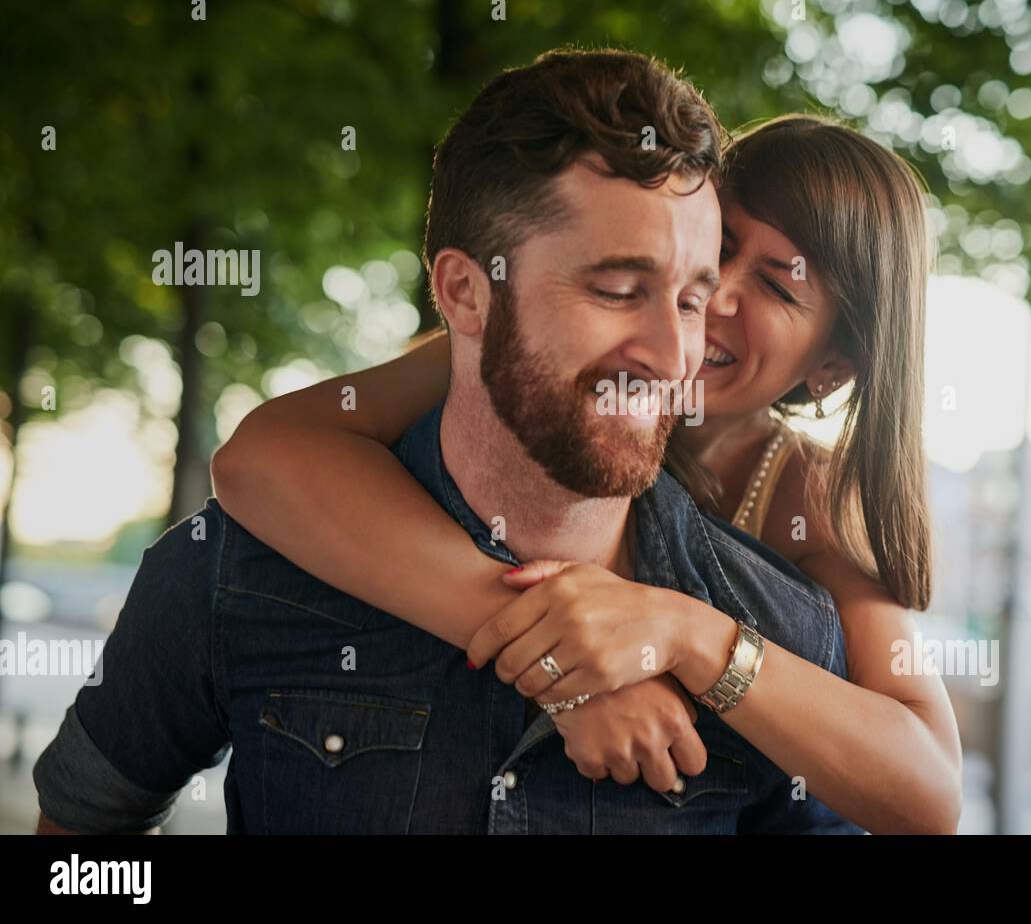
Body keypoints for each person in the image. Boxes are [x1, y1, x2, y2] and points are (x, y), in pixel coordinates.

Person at [33, 47, 877, 834]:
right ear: (466, 295)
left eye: (692, 300)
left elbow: (922, 788)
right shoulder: (234, 569)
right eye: (619, 289)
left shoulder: (781, 638)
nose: (670, 354)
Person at [208, 114, 962, 829]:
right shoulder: (542, 356)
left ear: (830, 367)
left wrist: (686, 635)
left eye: (776, 285)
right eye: (718, 246)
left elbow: (927, 787)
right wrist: (560, 661)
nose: (710, 295)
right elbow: (260, 457)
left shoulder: (809, 495)